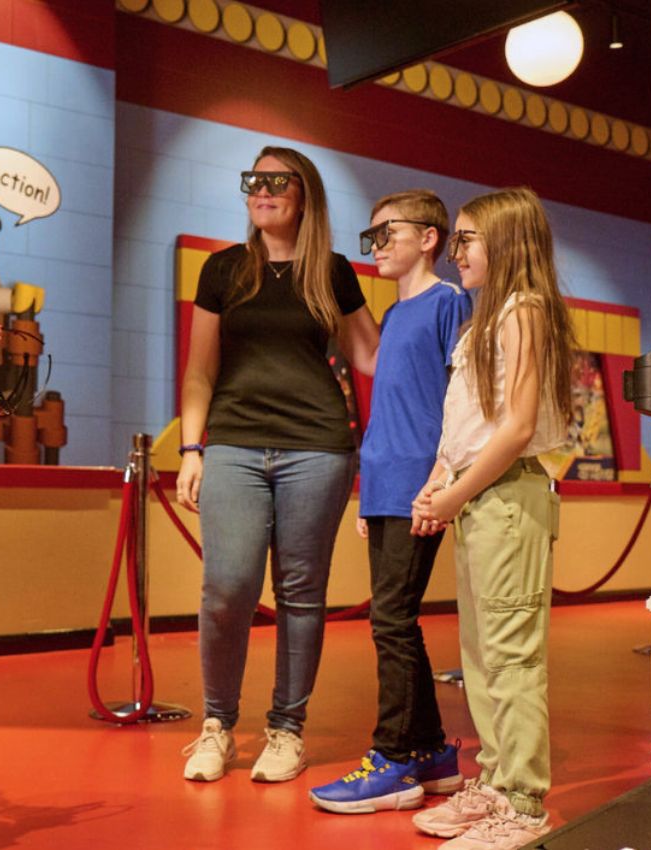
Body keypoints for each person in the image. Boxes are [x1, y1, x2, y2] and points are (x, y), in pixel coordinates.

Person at [176, 145, 380, 783]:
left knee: (300, 594)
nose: (262, 190)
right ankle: (216, 726)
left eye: (277, 181)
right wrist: (190, 447)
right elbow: (200, 369)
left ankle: (287, 730)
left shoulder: (333, 272)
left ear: (304, 194)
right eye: (253, 180)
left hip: (317, 447)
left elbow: (371, 357)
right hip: (233, 443)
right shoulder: (223, 270)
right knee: (226, 588)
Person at [410, 187, 574, 849]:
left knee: (510, 658)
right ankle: (498, 781)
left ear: (506, 242)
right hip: (482, 497)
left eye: (468, 239)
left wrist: (453, 494)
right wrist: (439, 482)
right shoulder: (486, 318)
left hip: (508, 497)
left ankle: (525, 806)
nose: (458, 252)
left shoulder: (525, 310)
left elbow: (518, 428)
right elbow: (469, 426)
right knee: (480, 658)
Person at [308, 190, 471, 814]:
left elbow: (463, 399)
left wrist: (439, 478)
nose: (375, 247)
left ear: (429, 237)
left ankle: (394, 760)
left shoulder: (449, 302)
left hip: (418, 485)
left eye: (386, 233)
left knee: (391, 621)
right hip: (382, 483)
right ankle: (429, 750)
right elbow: (389, 411)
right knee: (395, 621)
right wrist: (365, 491)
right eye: (369, 236)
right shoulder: (393, 315)